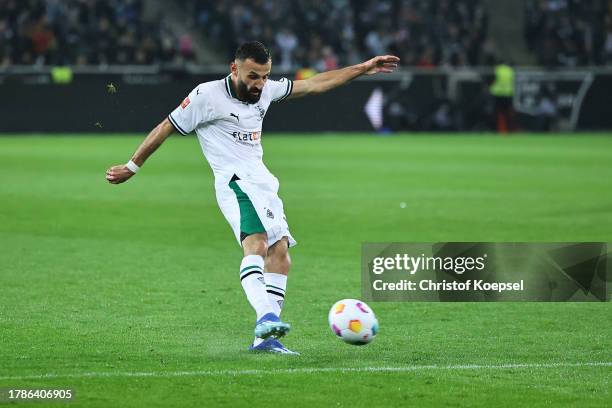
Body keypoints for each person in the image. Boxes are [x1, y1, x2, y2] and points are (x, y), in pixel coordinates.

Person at [105, 41, 399, 354]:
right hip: (235, 183)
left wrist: (364, 68)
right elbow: (166, 126)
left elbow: (315, 84)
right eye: (253, 76)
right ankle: (266, 316)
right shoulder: (207, 95)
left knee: (281, 255)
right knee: (256, 245)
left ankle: (264, 340)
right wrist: (132, 166)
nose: (259, 83)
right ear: (235, 69)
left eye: (264, 76)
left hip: (263, 184)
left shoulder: (267, 90)